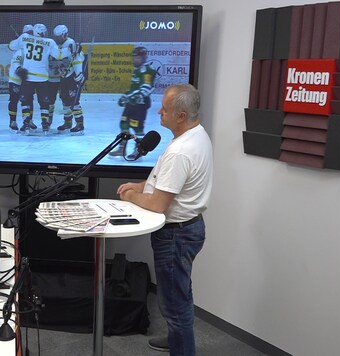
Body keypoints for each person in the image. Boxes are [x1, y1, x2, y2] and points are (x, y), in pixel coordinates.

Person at [116, 84, 213, 356]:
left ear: (181, 115)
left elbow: (158, 205)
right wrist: (140, 185)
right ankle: (176, 338)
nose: (159, 111)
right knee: (180, 292)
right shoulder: (196, 135)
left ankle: (182, 349)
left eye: (165, 109)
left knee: (174, 303)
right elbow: (168, 184)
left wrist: (132, 196)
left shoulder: (181, 151)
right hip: (190, 229)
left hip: (176, 236)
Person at [9, 23, 69, 134]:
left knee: (25, 101)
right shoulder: (49, 42)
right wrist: (70, 50)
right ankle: (45, 124)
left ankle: (26, 122)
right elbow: (59, 55)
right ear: (43, 33)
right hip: (42, 78)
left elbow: (11, 46)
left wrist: (19, 42)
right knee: (44, 103)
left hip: (28, 78)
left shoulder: (24, 38)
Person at [109, 46, 159, 158]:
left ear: (144, 58)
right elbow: (133, 88)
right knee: (123, 124)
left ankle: (139, 150)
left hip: (140, 105)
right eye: (134, 57)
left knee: (137, 128)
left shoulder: (147, 71)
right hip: (131, 104)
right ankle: (122, 149)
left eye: (138, 58)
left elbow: (146, 87)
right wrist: (125, 97)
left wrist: (136, 97)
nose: (135, 60)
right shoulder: (137, 70)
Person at [49, 24, 87, 135]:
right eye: (56, 37)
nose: (57, 39)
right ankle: (68, 122)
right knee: (65, 100)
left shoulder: (71, 44)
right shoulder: (57, 44)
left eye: (59, 37)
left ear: (65, 34)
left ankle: (80, 124)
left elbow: (78, 59)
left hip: (72, 78)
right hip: (63, 77)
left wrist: (79, 73)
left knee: (73, 101)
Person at [7, 25, 32, 131]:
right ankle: (12, 121)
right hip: (16, 79)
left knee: (28, 100)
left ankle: (28, 120)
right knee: (14, 100)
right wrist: (19, 70)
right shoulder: (19, 48)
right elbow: (15, 62)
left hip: (26, 79)